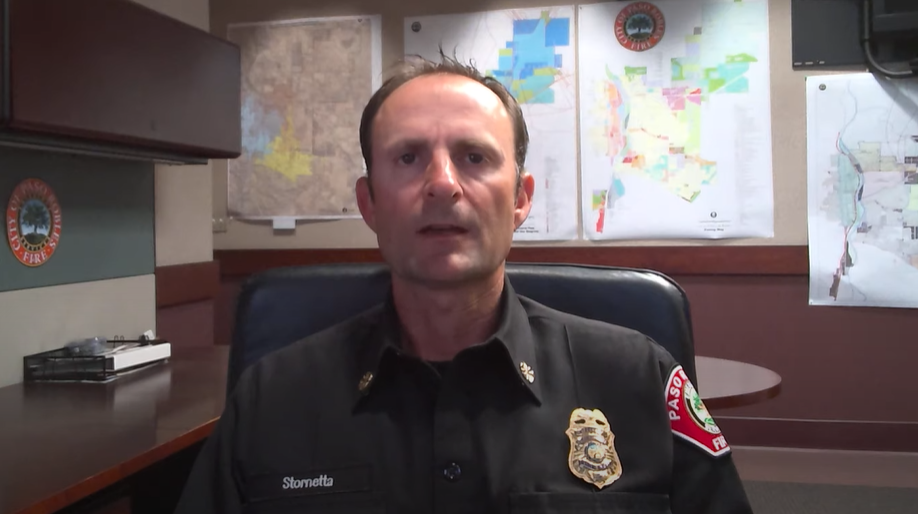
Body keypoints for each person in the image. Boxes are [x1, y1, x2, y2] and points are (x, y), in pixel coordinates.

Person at [174, 54, 753, 513]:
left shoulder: (641, 380)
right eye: (408, 158)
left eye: (474, 156)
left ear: (521, 198)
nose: (442, 183)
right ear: (370, 203)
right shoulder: (270, 398)